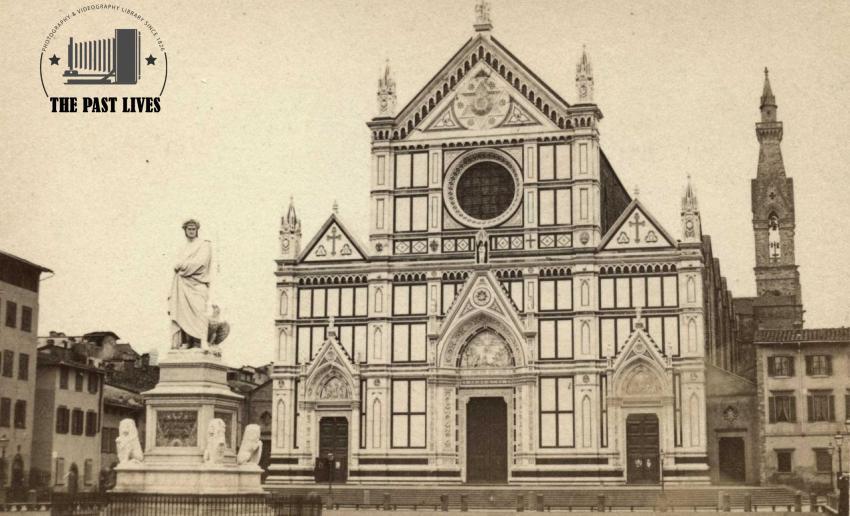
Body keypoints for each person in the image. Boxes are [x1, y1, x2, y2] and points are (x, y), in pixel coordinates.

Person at [168, 219, 212, 349]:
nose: (191, 231)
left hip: (198, 283)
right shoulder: (182, 247)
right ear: (185, 231)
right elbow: (175, 264)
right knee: (183, 313)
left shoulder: (204, 245)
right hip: (182, 284)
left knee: (199, 311)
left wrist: (182, 266)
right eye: (189, 229)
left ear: (197, 230)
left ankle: (200, 342)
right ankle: (186, 342)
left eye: (193, 229)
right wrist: (180, 267)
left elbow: (201, 263)